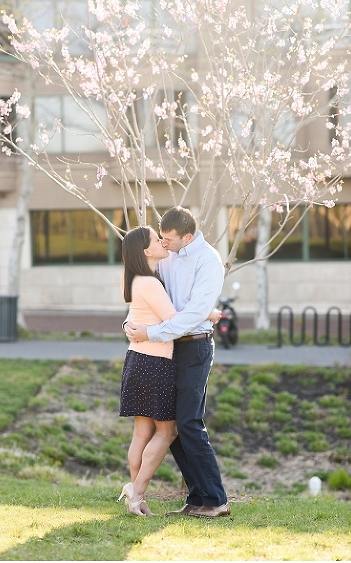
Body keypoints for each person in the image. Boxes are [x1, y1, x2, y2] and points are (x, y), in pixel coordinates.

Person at [125, 206, 230, 518]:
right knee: (171, 426)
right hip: (167, 350)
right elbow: (148, 298)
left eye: (168, 239)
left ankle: (216, 500)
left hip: (195, 347)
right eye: (161, 238)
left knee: (188, 422)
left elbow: (193, 314)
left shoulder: (208, 260)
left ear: (188, 237)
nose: (164, 243)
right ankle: (197, 498)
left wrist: (150, 332)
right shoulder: (166, 256)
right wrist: (131, 325)